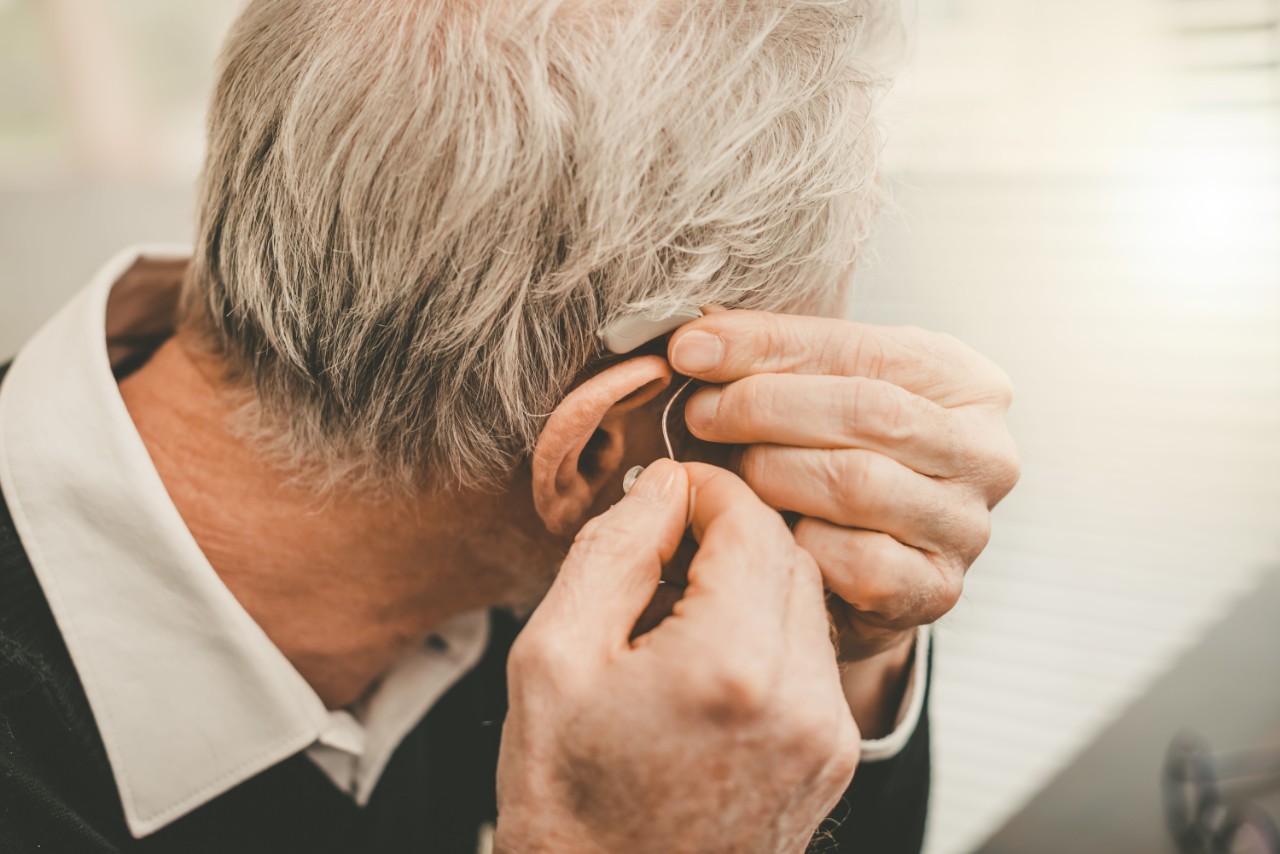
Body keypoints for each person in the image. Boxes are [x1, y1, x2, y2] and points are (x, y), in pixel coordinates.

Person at [0, 1, 1019, 852]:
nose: (823, 426)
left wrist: (845, 638)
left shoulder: (497, 551)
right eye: (803, 354)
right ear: (598, 450)